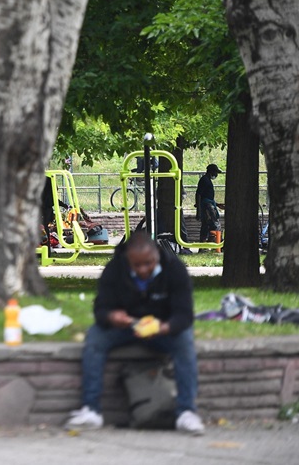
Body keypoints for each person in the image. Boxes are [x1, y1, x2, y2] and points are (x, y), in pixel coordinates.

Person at [64, 231, 203, 434]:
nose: (143, 269)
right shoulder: (114, 269)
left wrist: (165, 327)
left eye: (148, 263)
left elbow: (184, 315)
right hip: (126, 327)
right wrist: (113, 317)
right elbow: (100, 309)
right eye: (136, 265)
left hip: (162, 328)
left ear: (156, 255)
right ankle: (91, 410)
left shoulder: (175, 269)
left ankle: (186, 412)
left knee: (184, 341)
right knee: (95, 338)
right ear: (128, 259)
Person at [195, 164, 224, 242]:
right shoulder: (204, 180)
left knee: (206, 226)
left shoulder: (207, 180)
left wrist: (217, 205)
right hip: (207, 206)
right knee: (214, 226)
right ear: (211, 171)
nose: (216, 175)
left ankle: (203, 246)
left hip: (209, 205)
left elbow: (207, 196)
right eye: (216, 172)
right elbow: (199, 194)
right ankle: (207, 244)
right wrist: (199, 210)